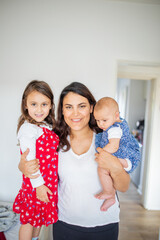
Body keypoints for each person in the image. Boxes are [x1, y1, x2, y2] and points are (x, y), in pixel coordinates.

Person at [19, 82, 131, 240]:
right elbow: (35, 162)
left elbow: (124, 186)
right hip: (65, 224)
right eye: (69, 107)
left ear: (92, 108)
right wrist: (22, 166)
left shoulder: (107, 138)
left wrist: (116, 168)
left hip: (105, 224)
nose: (75, 113)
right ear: (62, 110)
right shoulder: (54, 140)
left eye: (82, 106)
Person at [13, 80, 59, 240]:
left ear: (51, 105)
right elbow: (29, 161)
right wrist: (39, 186)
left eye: (44, 104)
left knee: (38, 219)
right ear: (25, 104)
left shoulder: (46, 126)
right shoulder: (28, 129)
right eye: (34, 104)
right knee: (28, 222)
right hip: (36, 186)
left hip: (47, 184)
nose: (39, 109)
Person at [94, 97, 140, 211]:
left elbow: (114, 146)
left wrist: (102, 153)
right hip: (123, 158)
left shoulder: (114, 128)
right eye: (97, 120)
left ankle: (109, 193)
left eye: (104, 120)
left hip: (125, 159)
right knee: (107, 172)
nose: (100, 124)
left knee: (102, 169)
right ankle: (110, 196)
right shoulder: (113, 124)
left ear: (116, 116)